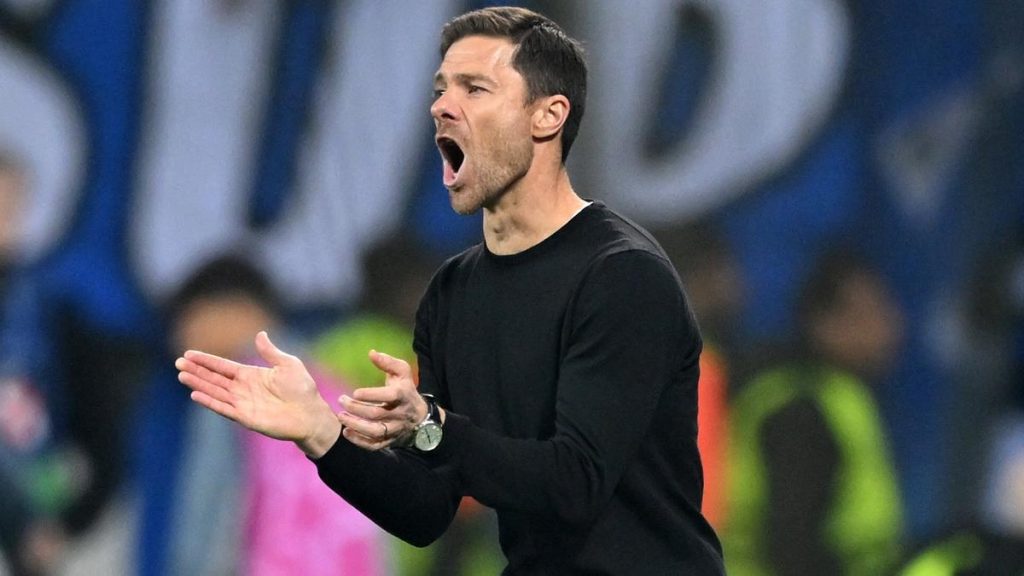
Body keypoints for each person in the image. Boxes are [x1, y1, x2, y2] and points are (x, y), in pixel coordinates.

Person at [176, 6, 725, 574]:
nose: (442, 106)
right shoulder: (455, 292)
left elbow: (575, 482)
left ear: (548, 116)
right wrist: (322, 434)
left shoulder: (623, 276)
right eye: (441, 89)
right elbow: (425, 511)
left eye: (475, 88)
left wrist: (430, 427)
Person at [135, 254, 386, 576]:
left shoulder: (232, 390)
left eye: (187, 319)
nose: (179, 341)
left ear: (232, 310)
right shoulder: (334, 386)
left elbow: (209, 511)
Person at [723, 247, 905, 576]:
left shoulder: (840, 396)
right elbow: (793, 545)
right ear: (823, 324)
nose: (889, 325)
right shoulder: (799, 408)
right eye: (867, 313)